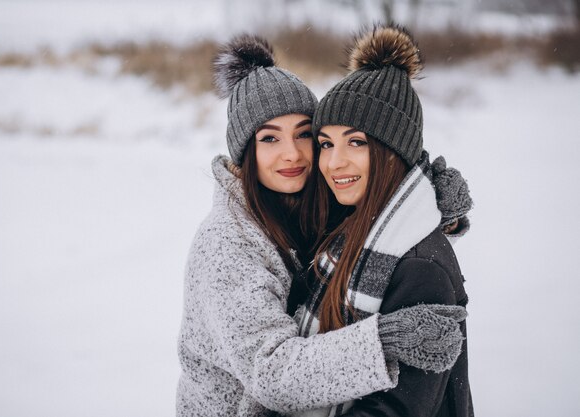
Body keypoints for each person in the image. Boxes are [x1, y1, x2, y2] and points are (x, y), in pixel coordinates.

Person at [176, 34, 470, 417]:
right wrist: (382, 342)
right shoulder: (226, 244)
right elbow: (272, 371)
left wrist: (429, 199)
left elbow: (385, 178)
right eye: (269, 138)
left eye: (304, 134)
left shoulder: (306, 206)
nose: (292, 153)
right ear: (245, 152)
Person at [296, 25, 474, 416]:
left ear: (394, 151)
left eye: (356, 142)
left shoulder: (420, 268)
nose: (334, 161)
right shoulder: (345, 230)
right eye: (326, 143)